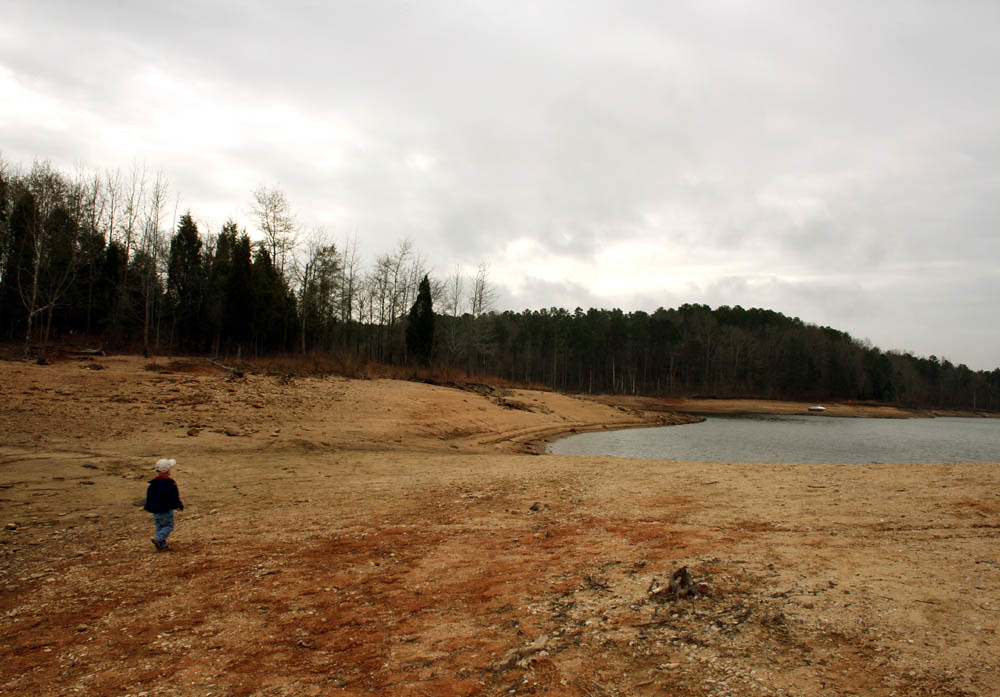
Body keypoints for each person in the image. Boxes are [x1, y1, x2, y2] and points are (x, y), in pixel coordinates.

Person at [144, 458, 184, 552]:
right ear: (168, 471)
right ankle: (158, 538)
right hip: (166, 510)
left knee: (159, 527)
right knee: (168, 526)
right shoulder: (170, 483)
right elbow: (174, 496)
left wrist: (149, 508)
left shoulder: (153, 484)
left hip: (156, 512)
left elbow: (149, 497)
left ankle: (161, 546)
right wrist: (179, 505)